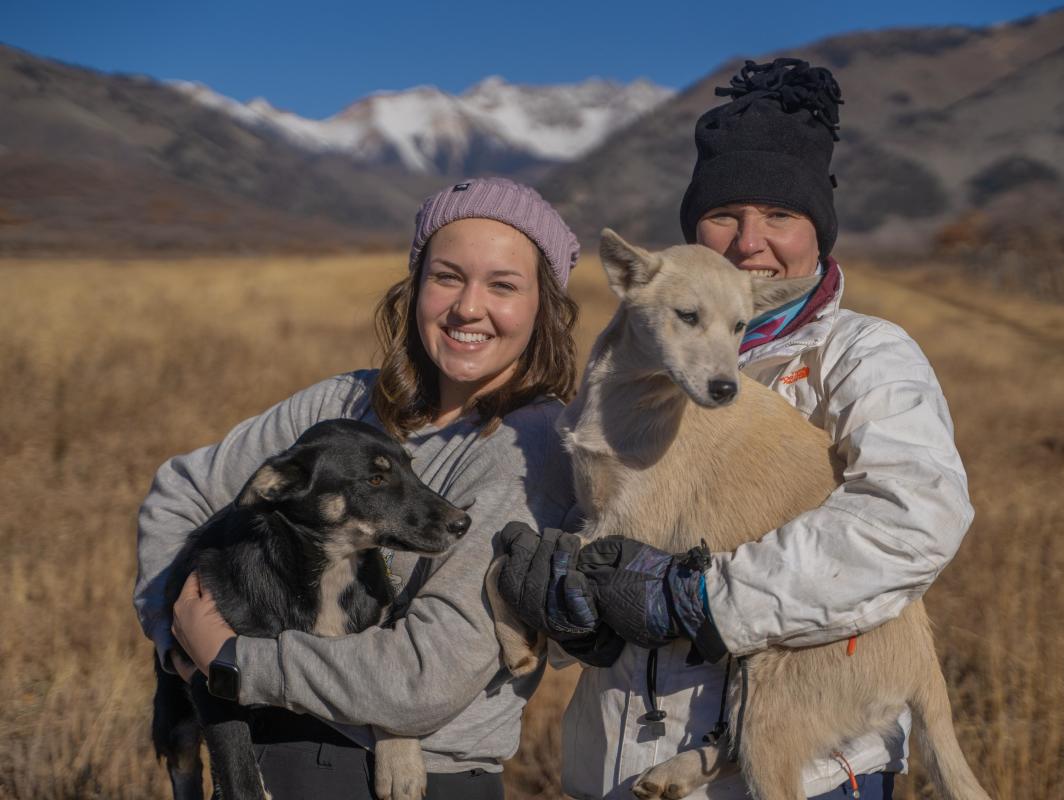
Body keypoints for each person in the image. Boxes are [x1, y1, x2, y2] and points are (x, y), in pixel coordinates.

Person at [498, 59, 974, 800]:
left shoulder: (861, 355)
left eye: (780, 216)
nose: (750, 241)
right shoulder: (636, 367)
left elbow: (913, 521)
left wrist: (706, 600)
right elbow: (608, 555)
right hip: (627, 763)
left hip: (795, 764)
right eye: (726, 216)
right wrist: (568, 621)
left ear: (818, 227)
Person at [133, 177, 582, 800]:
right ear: (415, 287)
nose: (468, 307)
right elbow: (183, 489)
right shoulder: (345, 402)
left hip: (416, 778)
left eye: (503, 285)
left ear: (544, 308)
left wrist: (234, 661)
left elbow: (422, 680)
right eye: (447, 276)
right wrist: (174, 632)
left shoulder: (532, 453)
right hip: (261, 756)